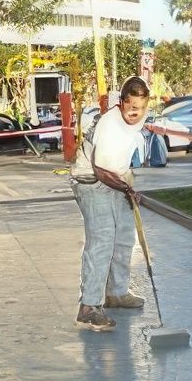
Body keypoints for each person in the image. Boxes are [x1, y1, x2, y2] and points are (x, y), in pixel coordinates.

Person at [69, 76, 151, 332]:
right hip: (92, 180)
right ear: (122, 103)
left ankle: (116, 293)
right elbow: (102, 168)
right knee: (102, 240)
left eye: (138, 106)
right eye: (129, 105)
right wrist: (126, 188)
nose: (133, 111)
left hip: (117, 178)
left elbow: (120, 162)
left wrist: (128, 185)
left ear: (146, 104)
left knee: (125, 237)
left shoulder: (141, 117)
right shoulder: (110, 125)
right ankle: (89, 307)